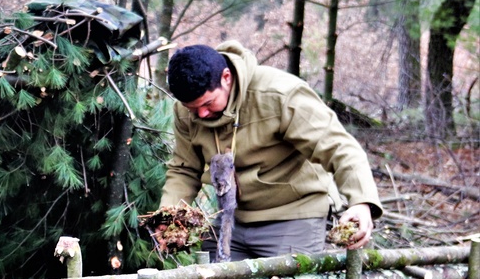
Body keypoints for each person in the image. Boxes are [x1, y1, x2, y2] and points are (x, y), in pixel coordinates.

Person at [159, 41, 382, 261]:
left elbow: (339, 148)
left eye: (207, 104)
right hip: (231, 220)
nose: (201, 115)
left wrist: (362, 202)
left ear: (226, 78)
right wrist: (169, 218)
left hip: (292, 215)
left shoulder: (280, 94)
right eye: (192, 108)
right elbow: (184, 169)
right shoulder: (186, 112)